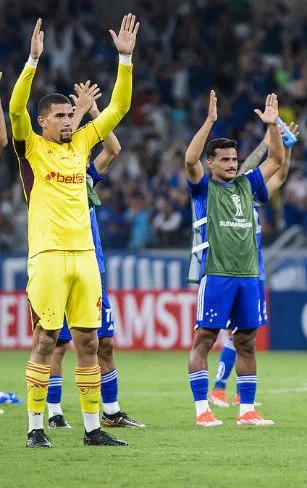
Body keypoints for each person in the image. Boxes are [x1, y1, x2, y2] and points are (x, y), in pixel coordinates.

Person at [15, 15, 137, 448]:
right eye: (61, 115)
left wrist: (124, 58)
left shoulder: (83, 145)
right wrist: (32, 62)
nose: (70, 120)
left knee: (88, 341)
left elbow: (119, 108)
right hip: (47, 256)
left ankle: (92, 430)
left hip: (85, 256)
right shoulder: (32, 147)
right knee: (46, 340)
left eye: (72, 113)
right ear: (44, 121)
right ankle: (34, 427)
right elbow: (15, 110)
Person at [185, 90, 285, 427]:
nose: (231, 164)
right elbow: (188, 160)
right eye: (224, 160)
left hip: (248, 275)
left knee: (246, 342)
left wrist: (272, 126)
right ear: (211, 163)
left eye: (233, 159)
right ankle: (202, 410)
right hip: (217, 273)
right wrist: (210, 121)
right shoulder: (203, 189)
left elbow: (276, 162)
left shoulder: (247, 185)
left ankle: (247, 411)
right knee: (205, 339)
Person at [47, 82, 144, 430]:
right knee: (57, 343)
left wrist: (91, 112)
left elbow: (113, 147)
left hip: (94, 266)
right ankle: (54, 413)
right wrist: (74, 116)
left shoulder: (86, 176)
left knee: (104, 341)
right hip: (59, 261)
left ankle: (112, 411)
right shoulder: (49, 172)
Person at [208, 121, 299, 409]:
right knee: (234, 335)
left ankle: (234, 393)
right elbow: (246, 169)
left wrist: (287, 146)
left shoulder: (253, 198)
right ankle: (220, 388)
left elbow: (280, 173)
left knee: (244, 336)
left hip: (253, 271)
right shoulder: (232, 190)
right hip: (229, 269)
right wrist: (266, 140)